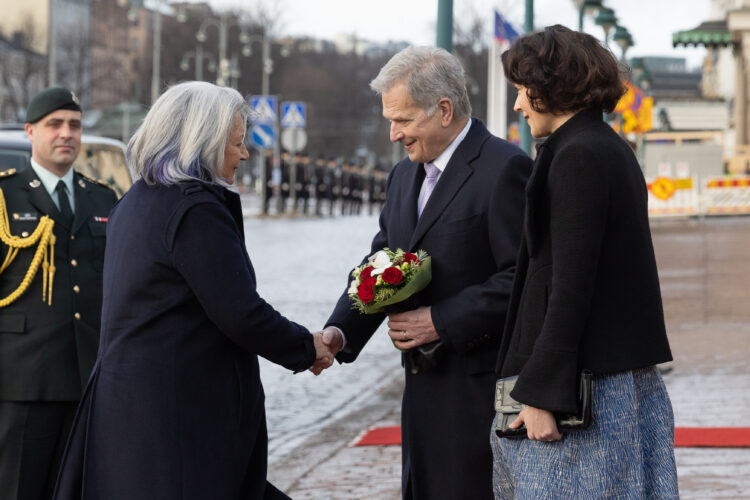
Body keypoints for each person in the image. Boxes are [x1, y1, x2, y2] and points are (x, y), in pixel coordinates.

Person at [52, 82, 333, 500]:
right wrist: (307, 347)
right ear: (203, 141)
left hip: (135, 418)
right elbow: (240, 312)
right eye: (236, 143)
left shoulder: (135, 201)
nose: (244, 154)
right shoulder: (193, 209)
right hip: (177, 425)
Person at [319, 46, 531, 500]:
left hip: (479, 398)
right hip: (420, 399)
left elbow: (523, 278)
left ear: (444, 111)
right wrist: (340, 331)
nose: (393, 134)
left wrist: (441, 320)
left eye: (403, 120)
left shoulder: (505, 169)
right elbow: (380, 267)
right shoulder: (402, 177)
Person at [491, 25, 678, 498]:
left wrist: (539, 394)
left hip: (583, 393)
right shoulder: (605, 148)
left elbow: (571, 285)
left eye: (522, 89)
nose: (518, 104)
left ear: (550, 84)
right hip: (611, 379)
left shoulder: (578, 157)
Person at [0, 87, 117, 500]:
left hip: (89, 379)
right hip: (23, 381)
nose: (66, 133)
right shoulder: (4, 197)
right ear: (31, 131)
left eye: (74, 125)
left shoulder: (102, 197)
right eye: (55, 125)